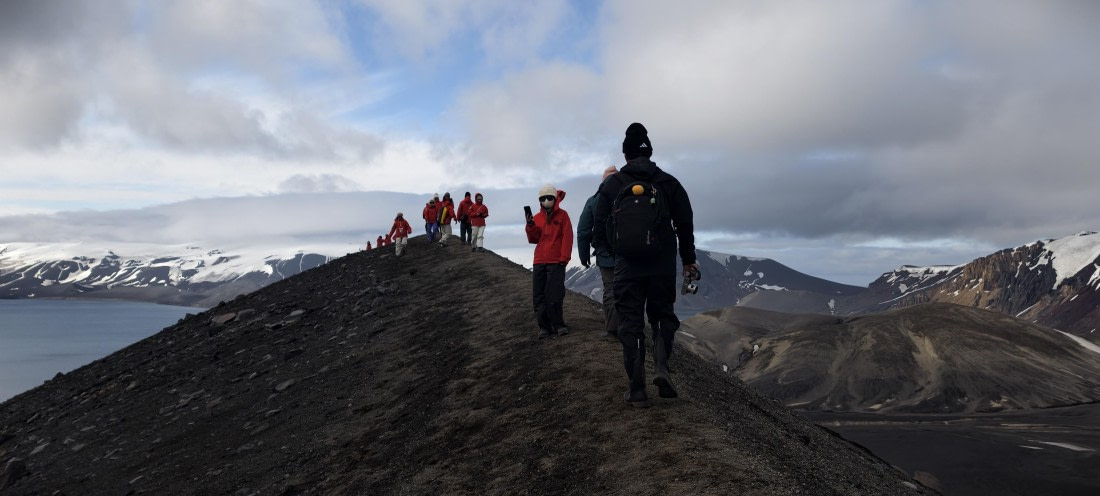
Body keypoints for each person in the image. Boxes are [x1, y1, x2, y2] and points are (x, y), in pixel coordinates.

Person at [593, 123, 697, 408]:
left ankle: (637, 388)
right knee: (662, 316)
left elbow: (599, 225)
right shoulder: (669, 182)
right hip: (661, 264)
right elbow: (685, 224)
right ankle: (661, 367)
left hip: (627, 266)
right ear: (649, 152)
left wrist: (615, 251)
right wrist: (688, 259)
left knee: (630, 323)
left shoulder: (613, 184)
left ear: (625, 154)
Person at [578, 165, 620, 342]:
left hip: (605, 254)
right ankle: (631, 329)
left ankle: (612, 331)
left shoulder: (594, 200)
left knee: (610, 290)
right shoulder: (631, 196)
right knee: (630, 289)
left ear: (603, 181)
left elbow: (583, 230)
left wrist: (584, 256)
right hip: (630, 253)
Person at [525, 184, 573, 339]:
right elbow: (533, 239)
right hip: (539, 261)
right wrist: (530, 226)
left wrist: (564, 257)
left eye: (549, 198)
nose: (546, 201)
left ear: (554, 198)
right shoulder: (537, 217)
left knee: (555, 294)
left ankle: (558, 325)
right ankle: (544, 327)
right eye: (543, 198)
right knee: (538, 295)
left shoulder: (563, 215)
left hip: (556, 261)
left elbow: (567, 236)